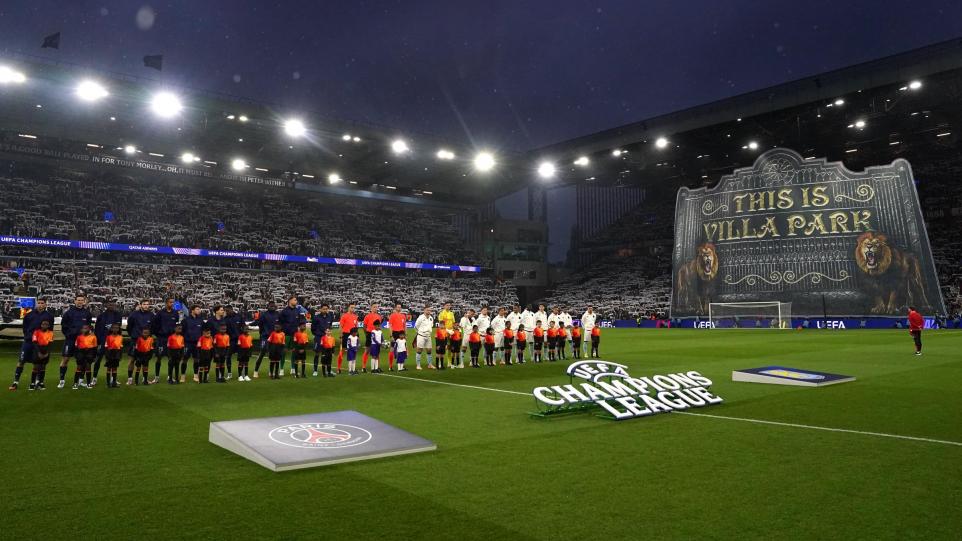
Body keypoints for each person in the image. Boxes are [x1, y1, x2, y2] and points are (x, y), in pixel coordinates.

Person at [10, 298, 54, 391]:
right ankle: (15, 382)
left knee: (40, 363)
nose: (40, 304)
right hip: (29, 342)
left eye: (42, 303)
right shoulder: (29, 315)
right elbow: (25, 328)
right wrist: (28, 336)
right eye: (39, 303)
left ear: (46, 304)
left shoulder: (49, 316)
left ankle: (38, 382)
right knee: (21, 361)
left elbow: (50, 330)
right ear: (36, 304)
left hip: (41, 344)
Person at [59, 294, 93, 389]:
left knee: (82, 361)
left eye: (82, 300)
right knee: (65, 359)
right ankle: (62, 380)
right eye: (78, 300)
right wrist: (69, 335)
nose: (80, 302)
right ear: (75, 301)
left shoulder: (87, 313)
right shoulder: (68, 313)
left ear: (84, 301)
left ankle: (81, 380)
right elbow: (64, 327)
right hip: (70, 340)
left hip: (82, 342)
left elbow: (89, 327)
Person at [91, 299, 122, 387]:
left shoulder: (118, 315)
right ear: (106, 305)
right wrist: (100, 342)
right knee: (98, 360)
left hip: (114, 344)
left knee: (113, 361)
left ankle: (113, 379)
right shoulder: (101, 316)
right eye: (109, 304)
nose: (111, 306)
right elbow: (97, 330)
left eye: (113, 304)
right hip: (103, 342)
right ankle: (94, 378)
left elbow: (118, 330)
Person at [151, 297, 180, 384]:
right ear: (166, 303)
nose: (172, 304)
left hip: (171, 339)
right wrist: (158, 334)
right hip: (161, 339)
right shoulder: (160, 313)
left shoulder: (175, 313)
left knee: (171, 358)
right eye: (171, 302)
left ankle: (170, 376)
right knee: (159, 358)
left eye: (173, 303)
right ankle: (156, 377)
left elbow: (176, 325)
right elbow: (154, 325)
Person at [125, 299, 154, 386]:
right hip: (136, 340)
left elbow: (152, 327)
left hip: (146, 341)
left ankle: (145, 379)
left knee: (146, 361)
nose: (146, 306)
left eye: (147, 304)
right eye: (144, 304)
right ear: (140, 305)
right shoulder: (134, 314)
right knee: (132, 360)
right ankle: (130, 379)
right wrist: (133, 335)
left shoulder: (151, 315)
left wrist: (148, 337)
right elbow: (129, 327)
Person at [253, 301, 280, 378]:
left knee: (273, 355)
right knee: (262, 353)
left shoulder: (278, 314)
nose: (272, 307)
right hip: (265, 337)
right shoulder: (264, 315)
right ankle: (256, 371)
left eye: (273, 306)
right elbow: (260, 325)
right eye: (271, 306)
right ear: (268, 306)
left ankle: (271, 372)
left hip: (275, 338)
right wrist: (262, 334)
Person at [278, 296, 302, 376]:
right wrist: (282, 333)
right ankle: (281, 369)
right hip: (286, 335)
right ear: (290, 301)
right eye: (295, 300)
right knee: (283, 352)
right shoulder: (284, 311)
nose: (296, 301)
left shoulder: (297, 311)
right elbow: (280, 323)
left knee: (294, 352)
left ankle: (293, 368)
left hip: (294, 335)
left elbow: (299, 322)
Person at [181, 305, 205, 383]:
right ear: (192, 310)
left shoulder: (201, 320)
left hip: (197, 344)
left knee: (196, 360)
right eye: (197, 309)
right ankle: (182, 376)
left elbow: (202, 332)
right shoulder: (185, 320)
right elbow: (182, 332)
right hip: (187, 343)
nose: (199, 310)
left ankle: (195, 376)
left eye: (199, 309)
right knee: (184, 359)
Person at [29, 319, 54, 390]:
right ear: (41, 325)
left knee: (43, 367)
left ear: (48, 326)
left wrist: (47, 353)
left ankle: (41, 383)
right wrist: (39, 352)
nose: (44, 326)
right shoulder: (36, 332)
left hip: (45, 349)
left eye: (46, 324)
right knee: (36, 367)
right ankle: (32, 383)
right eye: (43, 324)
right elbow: (34, 343)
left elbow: (50, 344)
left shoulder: (50, 333)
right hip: (37, 349)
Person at [311, 303, 335, 376]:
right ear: (320, 309)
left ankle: (328, 370)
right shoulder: (316, 317)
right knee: (317, 353)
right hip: (318, 338)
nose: (325, 310)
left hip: (327, 338)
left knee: (328, 354)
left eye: (326, 309)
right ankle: (315, 370)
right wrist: (317, 335)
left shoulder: (330, 317)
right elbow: (313, 328)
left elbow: (330, 326)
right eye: (323, 309)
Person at [73, 324, 98, 389]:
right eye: (83, 328)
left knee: (88, 367)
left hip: (89, 352)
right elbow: (76, 347)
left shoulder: (93, 337)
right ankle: (75, 383)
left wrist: (94, 356)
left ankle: (88, 383)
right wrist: (76, 355)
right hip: (81, 353)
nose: (85, 330)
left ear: (89, 329)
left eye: (86, 328)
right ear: (81, 330)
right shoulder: (79, 337)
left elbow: (95, 348)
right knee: (79, 367)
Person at [337, 303, 359, 374]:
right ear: (348, 308)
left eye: (354, 308)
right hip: (346, 335)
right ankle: (338, 368)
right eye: (351, 307)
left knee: (354, 351)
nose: (353, 309)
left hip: (353, 335)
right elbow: (341, 327)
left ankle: (353, 368)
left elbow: (356, 327)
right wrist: (341, 336)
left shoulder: (355, 316)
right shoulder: (344, 316)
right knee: (342, 351)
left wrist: (357, 336)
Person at [224, 306, 244, 379]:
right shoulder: (225, 319)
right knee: (228, 356)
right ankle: (229, 373)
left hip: (240, 341)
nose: (227, 312)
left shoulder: (239, 317)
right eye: (226, 311)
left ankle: (241, 374)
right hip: (230, 341)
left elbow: (243, 327)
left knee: (241, 357)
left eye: (228, 310)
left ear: (231, 309)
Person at [361, 302, 381, 373]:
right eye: (374, 307)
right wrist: (366, 334)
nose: (375, 308)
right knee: (367, 350)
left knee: (377, 351)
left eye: (376, 307)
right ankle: (363, 367)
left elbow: (379, 326)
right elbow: (364, 326)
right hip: (369, 334)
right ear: (371, 308)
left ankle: (377, 367)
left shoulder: (379, 316)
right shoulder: (367, 316)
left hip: (377, 334)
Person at [414, 306, 435, 370]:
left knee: (429, 350)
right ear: (424, 310)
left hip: (428, 336)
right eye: (427, 310)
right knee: (419, 350)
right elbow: (416, 326)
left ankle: (430, 364)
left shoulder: (431, 318)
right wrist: (420, 333)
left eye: (429, 310)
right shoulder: (420, 318)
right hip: (421, 336)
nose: (428, 311)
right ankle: (418, 365)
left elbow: (431, 326)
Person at [103, 323, 124, 388]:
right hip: (110, 353)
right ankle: (108, 383)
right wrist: (107, 355)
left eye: (117, 328)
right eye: (114, 328)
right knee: (109, 368)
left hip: (117, 353)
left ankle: (114, 383)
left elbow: (121, 347)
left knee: (115, 368)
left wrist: (120, 355)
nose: (115, 329)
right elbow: (106, 346)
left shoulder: (120, 337)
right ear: (111, 329)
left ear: (118, 329)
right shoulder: (108, 337)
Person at [387, 303, 407, 370]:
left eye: (400, 307)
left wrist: (405, 334)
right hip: (395, 333)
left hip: (401, 333)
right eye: (398, 307)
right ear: (395, 308)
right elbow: (390, 326)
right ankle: (390, 366)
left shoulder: (403, 316)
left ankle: (402, 365)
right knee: (392, 349)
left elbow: (405, 326)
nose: (399, 308)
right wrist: (391, 335)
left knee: (403, 349)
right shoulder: (392, 316)